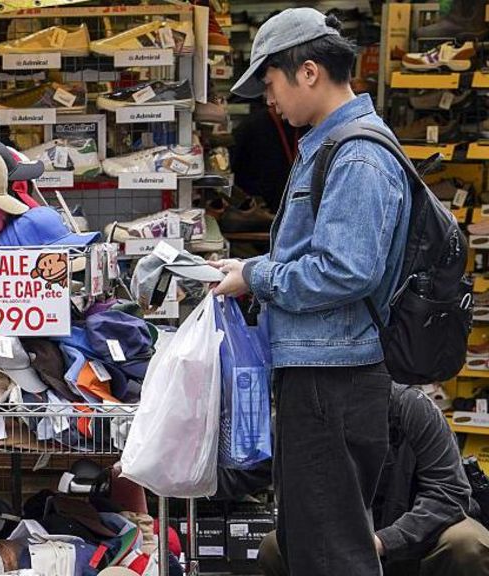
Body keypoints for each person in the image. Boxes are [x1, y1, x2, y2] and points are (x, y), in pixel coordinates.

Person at [213, 8, 412, 576]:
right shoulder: (332, 147)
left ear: (307, 72)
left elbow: (345, 271)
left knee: (331, 553)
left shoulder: (358, 155)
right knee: (311, 543)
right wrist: (252, 268)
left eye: (270, 83)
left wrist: (256, 276)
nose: (269, 100)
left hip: (333, 380)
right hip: (323, 373)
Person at [256, 385, 489, 576]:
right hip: (342, 540)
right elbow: (257, 467)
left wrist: (384, 541)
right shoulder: (308, 412)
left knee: (467, 543)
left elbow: (449, 491)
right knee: (274, 547)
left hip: (421, 537)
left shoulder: (413, 407)